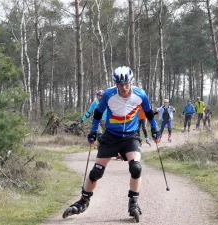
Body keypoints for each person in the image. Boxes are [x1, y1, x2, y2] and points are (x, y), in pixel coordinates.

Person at [64, 66, 161, 219]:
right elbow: (97, 113)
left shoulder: (140, 94)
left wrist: (155, 129)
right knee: (96, 172)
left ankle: (133, 203)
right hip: (111, 136)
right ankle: (83, 201)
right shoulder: (108, 94)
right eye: (120, 84)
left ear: (131, 82)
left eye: (126, 83)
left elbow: (148, 112)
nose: (123, 87)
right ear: (116, 83)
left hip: (131, 136)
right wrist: (93, 131)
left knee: (136, 168)